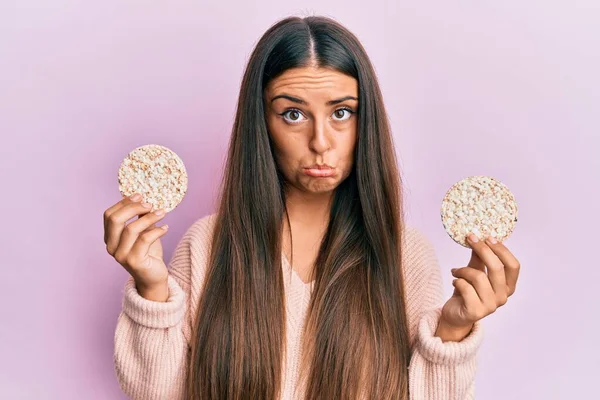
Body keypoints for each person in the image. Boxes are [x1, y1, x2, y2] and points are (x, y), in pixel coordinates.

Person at [103, 15, 521, 400]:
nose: (321, 141)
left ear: (366, 122)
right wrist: (152, 291)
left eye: (342, 113)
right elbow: (156, 393)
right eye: (293, 114)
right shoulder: (207, 245)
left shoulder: (404, 254)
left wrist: (452, 330)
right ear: (261, 123)